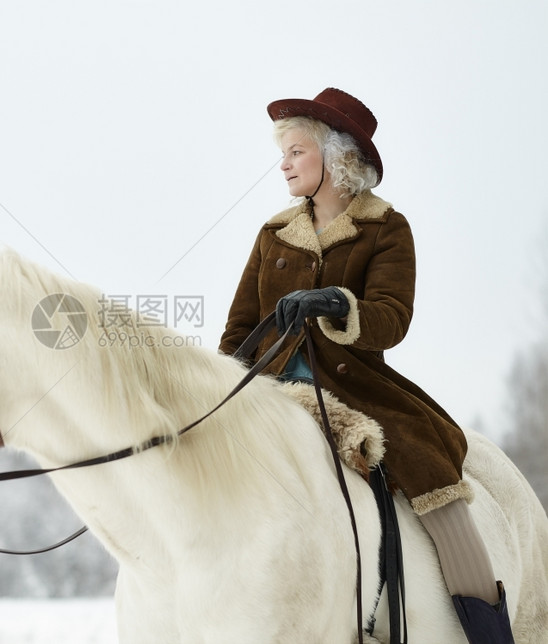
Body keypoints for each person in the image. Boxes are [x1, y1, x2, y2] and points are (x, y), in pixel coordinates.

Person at [219, 87, 514, 643]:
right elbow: (238, 330)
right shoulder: (272, 233)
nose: (282, 164)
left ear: (337, 158)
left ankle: (488, 629)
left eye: (296, 151)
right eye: (283, 153)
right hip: (273, 392)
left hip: (359, 394)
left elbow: (392, 317)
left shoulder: (387, 229)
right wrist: (222, 387)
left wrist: (336, 303)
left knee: (438, 488)